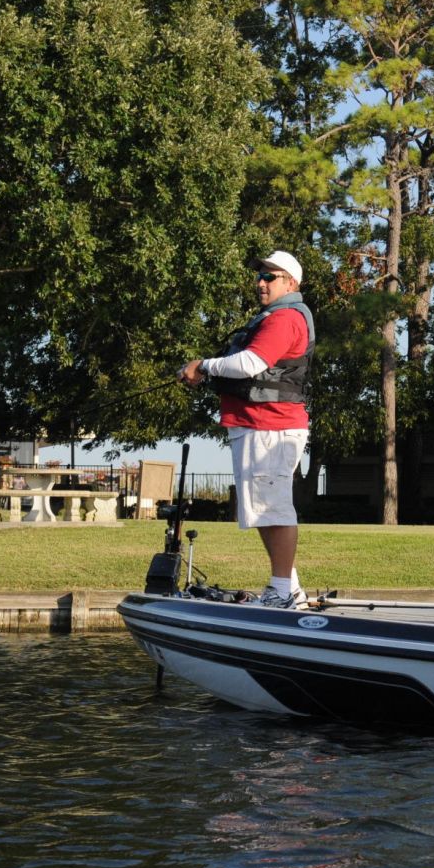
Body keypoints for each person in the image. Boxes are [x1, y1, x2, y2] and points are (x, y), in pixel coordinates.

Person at [180, 250, 315, 608]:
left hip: (271, 427)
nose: (261, 283)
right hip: (258, 426)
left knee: (275, 509)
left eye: (269, 276)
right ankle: (290, 591)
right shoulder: (273, 317)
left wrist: (203, 365)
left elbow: (251, 362)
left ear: (291, 282)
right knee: (263, 511)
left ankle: (282, 592)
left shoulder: (285, 318)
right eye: (260, 276)